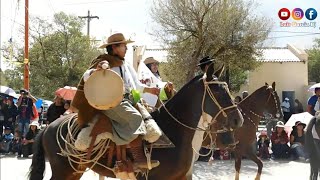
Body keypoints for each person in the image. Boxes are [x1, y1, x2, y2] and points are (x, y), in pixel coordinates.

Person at [72, 33, 161, 169]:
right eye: (123, 46)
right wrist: (98, 69)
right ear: (114, 48)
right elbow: (86, 76)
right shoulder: (103, 61)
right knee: (135, 118)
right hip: (111, 102)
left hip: (128, 100)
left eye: (126, 46)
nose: (126, 48)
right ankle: (137, 158)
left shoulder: (126, 64)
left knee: (150, 118)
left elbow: (135, 86)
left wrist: (150, 90)